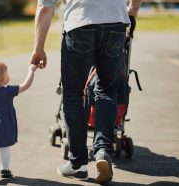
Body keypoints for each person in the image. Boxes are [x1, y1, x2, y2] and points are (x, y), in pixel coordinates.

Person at [30, 0, 141, 184]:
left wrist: (38, 47)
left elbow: (44, 8)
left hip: (80, 23)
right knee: (107, 90)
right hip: (116, 23)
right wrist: (133, 9)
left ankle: (78, 164)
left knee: (73, 95)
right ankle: (103, 151)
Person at [0, 62, 37, 180]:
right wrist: (31, 71)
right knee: (5, 148)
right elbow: (26, 85)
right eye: (7, 73)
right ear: (1, 79)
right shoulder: (9, 91)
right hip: (7, 124)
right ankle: (4, 170)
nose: (8, 75)